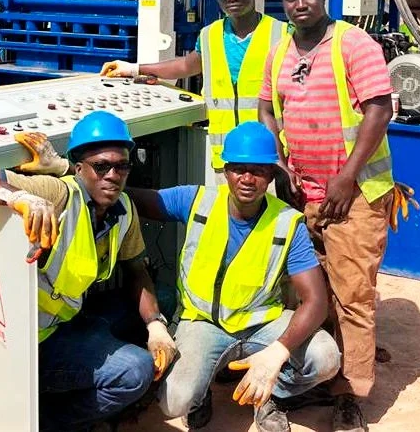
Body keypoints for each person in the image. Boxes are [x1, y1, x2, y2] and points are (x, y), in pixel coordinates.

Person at [0, 111, 177, 432]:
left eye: (122, 166)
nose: (113, 174)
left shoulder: (123, 210)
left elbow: (136, 268)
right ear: (79, 169)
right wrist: (18, 197)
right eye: (101, 166)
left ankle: (87, 394)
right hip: (33, 341)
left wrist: (155, 326)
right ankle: (51, 421)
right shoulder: (58, 194)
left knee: (163, 297)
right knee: (134, 371)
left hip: (73, 317)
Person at [257, 0, 395, 432]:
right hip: (303, 195)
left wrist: (347, 175)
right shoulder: (279, 52)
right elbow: (267, 111)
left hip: (354, 196)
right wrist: (279, 162)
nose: (300, 4)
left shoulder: (354, 44)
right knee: (310, 293)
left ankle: (350, 393)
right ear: (281, 1)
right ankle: (318, 372)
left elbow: (380, 108)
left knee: (353, 295)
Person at [129, 120, 341, 432]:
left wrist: (276, 354)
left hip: (262, 323)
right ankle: (202, 395)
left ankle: (272, 394)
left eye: (257, 170)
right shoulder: (198, 201)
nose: (247, 178)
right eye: (238, 168)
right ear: (226, 170)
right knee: (176, 401)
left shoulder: (287, 222)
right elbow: (132, 196)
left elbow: (316, 301)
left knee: (326, 358)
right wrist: (69, 171)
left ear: (270, 175)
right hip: (202, 323)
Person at [101, 0, 286, 173]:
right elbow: (186, 66)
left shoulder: (282, 34)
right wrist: (132, 68)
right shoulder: (209, 35)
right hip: (226, 159)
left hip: (270, 158)